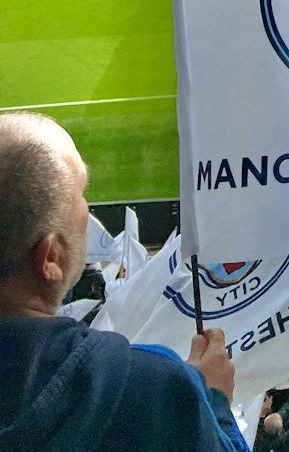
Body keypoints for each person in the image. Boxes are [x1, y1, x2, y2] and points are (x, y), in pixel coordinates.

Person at [0, 112, 247, 452]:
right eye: (80, 193)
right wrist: (209, 404)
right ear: (52, 258)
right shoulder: (150, 387)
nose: (87, 210)